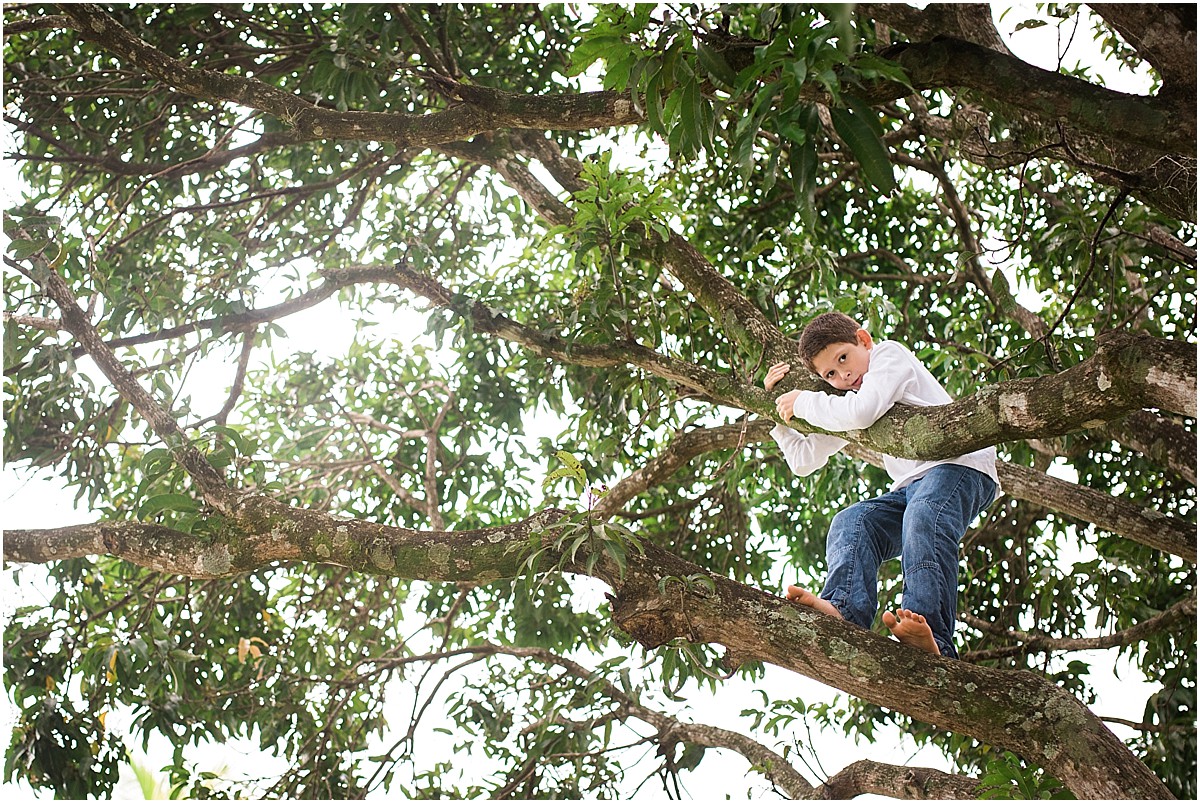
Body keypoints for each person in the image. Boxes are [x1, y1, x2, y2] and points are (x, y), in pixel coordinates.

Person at [765, 311, 999, 658]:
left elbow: (863, 410)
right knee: (852, 522)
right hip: (909, 486)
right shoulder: (845, 404)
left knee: (924, 518)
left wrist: (803, 400)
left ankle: (932, 634)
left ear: (864, 340)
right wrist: (776, 412)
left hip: (960, 466)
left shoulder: (889, 356)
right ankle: (844, 609)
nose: (843, 375)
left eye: (843, 358)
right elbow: (804, 460)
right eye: (830, 373)